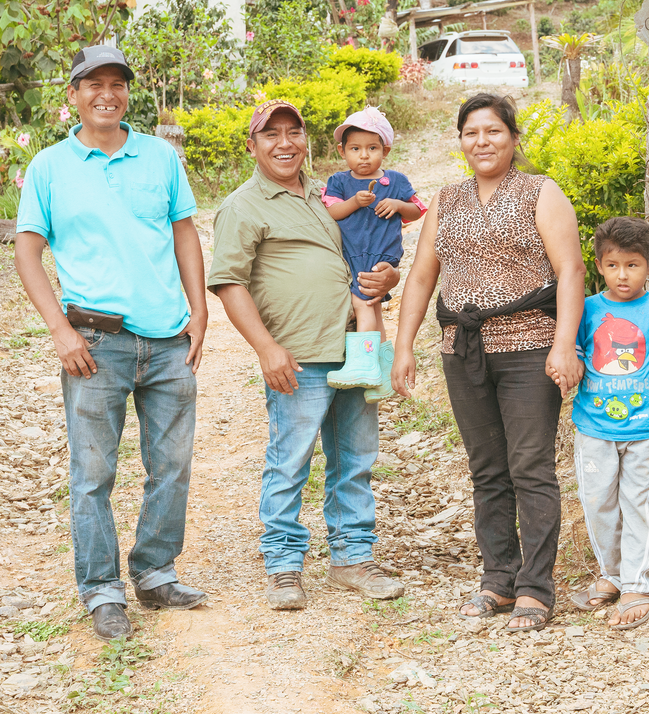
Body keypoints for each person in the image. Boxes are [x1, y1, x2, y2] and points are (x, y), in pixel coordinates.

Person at [13, 45, 209, 641]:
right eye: (92, 83)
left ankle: (154, 573)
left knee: (171, 467)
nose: (107, 93)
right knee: (93, 473)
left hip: (170, 339)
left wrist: (200, 311)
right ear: (72, 95)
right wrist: (60, 330)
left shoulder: (160, 157)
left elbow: (184, 234)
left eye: (116, 83)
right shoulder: (50, 167)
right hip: (94, 343)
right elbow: (27, 252)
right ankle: (101, 591)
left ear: (127, 92)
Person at [392, 92, 586, 633]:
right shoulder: (447, 200)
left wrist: (563, 343)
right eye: (472, 132)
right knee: (488, 470)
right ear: (460, 141)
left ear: (513, 138)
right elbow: (423, 276)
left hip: (528, 348)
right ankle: (498, 579)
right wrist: (403, 344)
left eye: (493, 131)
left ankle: (536, 588)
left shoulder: (540, 193)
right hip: (464, 351)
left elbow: (570, 271)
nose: (482, 141)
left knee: (531, 467)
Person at [208, 98, 407, 610]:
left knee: (355, 459)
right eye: (270, 135)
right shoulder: (243, 205)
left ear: (306, 140)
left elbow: (365, 255)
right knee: (290, 461)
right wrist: (266, 348)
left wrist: (389, 277)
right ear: (252, 146)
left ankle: (352, 557)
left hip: (354, 346)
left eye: (292, 132)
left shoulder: (327, 197)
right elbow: (230, 283)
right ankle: (282, 566)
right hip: (297, 354)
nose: (284, 143)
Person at [568, 216, 649, 631]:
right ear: (599, 266)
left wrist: (646, 385)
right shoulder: (585, 311)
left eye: (633, 265)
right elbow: (573, 358)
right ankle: (611, 574)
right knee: (598, 502)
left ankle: (638, 583)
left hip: (646, 430)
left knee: (642, 504)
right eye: (613, 265)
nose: (622, 275)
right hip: (594, 428)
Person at [322, 106, 425, 398]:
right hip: (353, 255)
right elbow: (333, 212)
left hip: (377, 256)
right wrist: (355, 201)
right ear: (342, 151)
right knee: (375, 309)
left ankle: (362, 364)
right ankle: (381, 370)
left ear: (385, 149)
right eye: (355, 148)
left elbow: (417, 209)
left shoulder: (395, 181)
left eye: (372, 148)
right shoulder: (339, 183)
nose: (364, 155)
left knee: (363, 304)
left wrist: (398, 206)